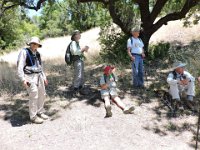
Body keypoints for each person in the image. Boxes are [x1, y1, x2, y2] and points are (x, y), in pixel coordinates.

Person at [17, 37, 49, 124]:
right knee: (34, 95)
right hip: (29, 77)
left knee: (42, 94)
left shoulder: (38, 53)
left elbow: (40, 67)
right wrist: (23, 79)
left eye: (36, 44)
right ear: (30, 43)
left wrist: (44, 77)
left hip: (39, 76)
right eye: (33, 43)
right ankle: (33, 116)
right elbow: (20, 67)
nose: (34, 45)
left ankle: (40, 112)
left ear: (38, 45)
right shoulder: (24, 52)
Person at [70, 30, 89, 95]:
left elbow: (78, 52)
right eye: (78, 34)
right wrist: (83, 49)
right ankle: (75, 90)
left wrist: (83, 50)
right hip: (77, 61)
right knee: (78, 75)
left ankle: (81, 89)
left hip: (80, 60)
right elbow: (75, 52)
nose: (80, 35)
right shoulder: (73, 43)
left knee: (81, 75)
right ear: (75, 35)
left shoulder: (76, 43)